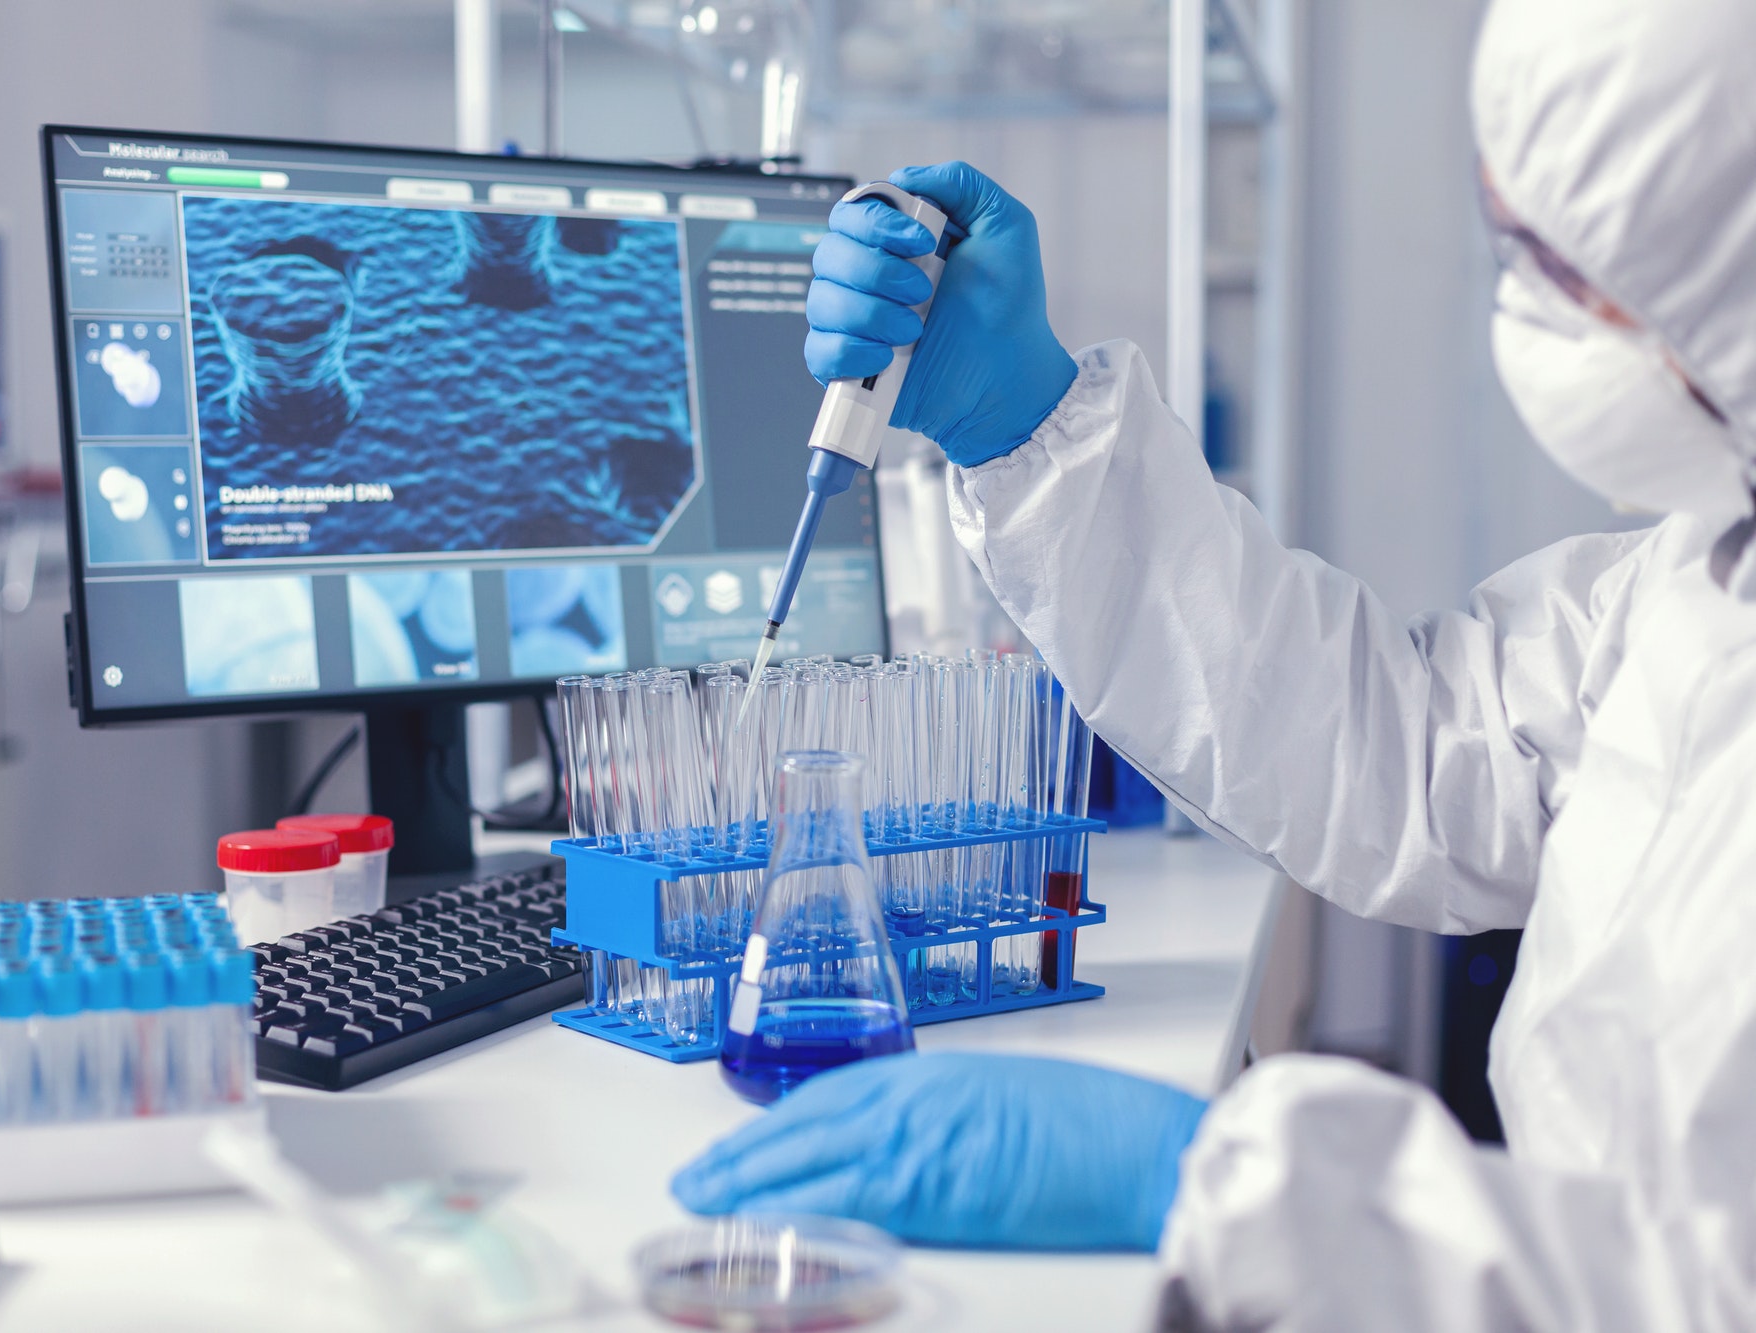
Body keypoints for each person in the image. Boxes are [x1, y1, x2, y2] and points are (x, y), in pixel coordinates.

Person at [671, 0, 1756, 1324]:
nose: (1517, 310)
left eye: (1561, 271)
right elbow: (1415, 747)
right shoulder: (1711, 559)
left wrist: (1220, 1178)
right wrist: (1023, 429)